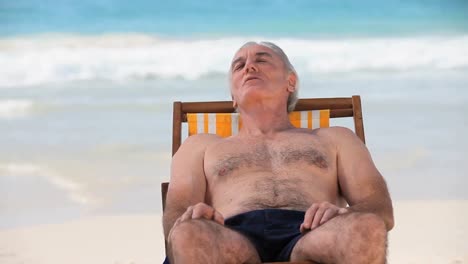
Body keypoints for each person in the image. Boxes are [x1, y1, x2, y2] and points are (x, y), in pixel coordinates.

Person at [162, 41, 394, 264]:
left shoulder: (335, 139)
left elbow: (380, 209)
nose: (249, 67)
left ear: (290, 82)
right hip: (231, 235)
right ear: (233, 95)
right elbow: (174, 219)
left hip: (314, 233)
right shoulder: (200, 146)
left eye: (261, 60)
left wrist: (345, 215)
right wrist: (192, 217)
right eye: (239, 66)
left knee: (367, 227)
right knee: (187, 233)